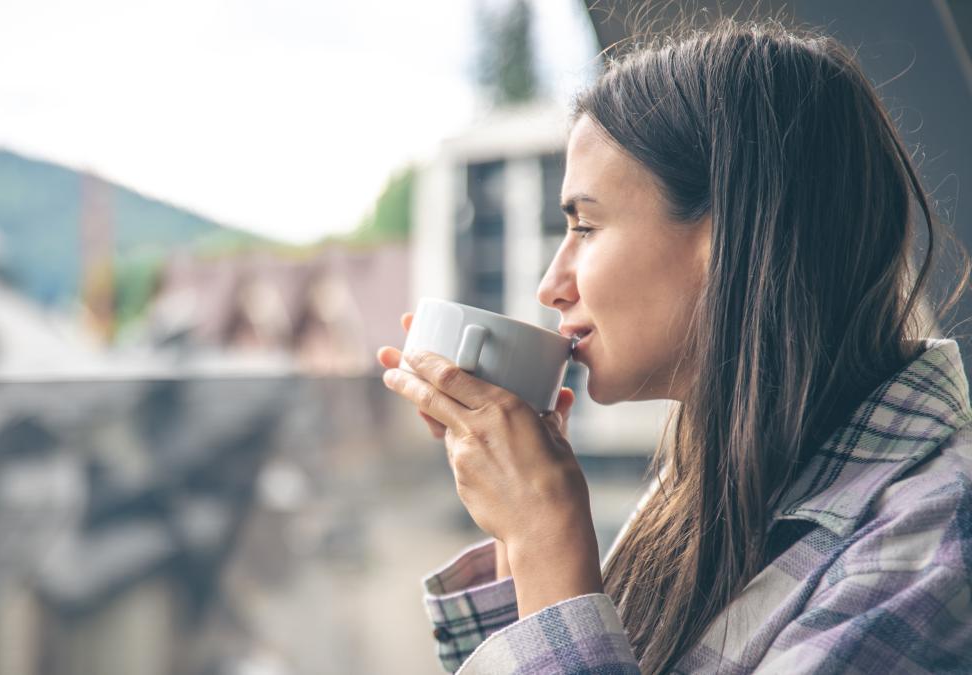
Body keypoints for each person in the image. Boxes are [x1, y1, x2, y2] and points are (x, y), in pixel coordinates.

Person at [377, 17, 972, 675]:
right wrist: (521, 524)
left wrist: (548, 537)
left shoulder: (936, 544)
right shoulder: (709, 480)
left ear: (731, 237)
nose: (552, 284)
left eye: (586, 226)